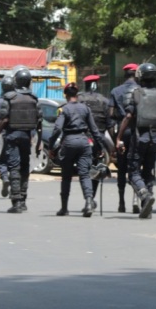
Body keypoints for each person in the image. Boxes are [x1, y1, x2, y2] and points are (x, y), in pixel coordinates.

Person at [116, 63, 156, 219]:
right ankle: (146, 209)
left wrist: (118, 137)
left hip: (139, 137)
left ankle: (144, 195)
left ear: (140, 76)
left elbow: (128, 116)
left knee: (133, 172)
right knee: (148, 171)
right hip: (155, 138)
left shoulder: (136, 93)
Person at [48, 82, 106, 217]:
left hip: (68, 142)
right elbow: (94, 130)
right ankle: (89, 202)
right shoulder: (85, 109)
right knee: (84, 174)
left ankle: (64, 208)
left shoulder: (64, 109)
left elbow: (57, 129)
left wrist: (51, 147)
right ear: (76, 95)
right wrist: (100, 147)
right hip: (84, 141)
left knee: (66, 176)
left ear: (66, 95)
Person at [0, 68, 41, 214]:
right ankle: (23, 201)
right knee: (25, 168)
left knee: (14, 168)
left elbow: (4, 119)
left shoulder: (10, 98)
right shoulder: (33, 98)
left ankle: (16, 201)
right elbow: (39, 123)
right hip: (26, 137)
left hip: (12, 137)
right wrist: (38, 142)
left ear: (16, 81)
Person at [108, 63, 141, 213]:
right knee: (135, 167)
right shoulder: (141, 91)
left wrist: (115, 137)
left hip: (122, 130)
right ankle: (136, 198)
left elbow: (110, 115)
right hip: (137, 131)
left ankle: (121, 202)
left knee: (121, 168)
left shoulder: (115, 91)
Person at [78, 73, 112, 206]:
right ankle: (91, 198)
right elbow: (109, 124)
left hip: (82, 138)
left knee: (83, 170)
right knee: (96, 168)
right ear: (96, 85)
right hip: (98, 140)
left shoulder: (79, 99)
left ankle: (87, 198)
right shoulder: (105, 101)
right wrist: (113, 143)